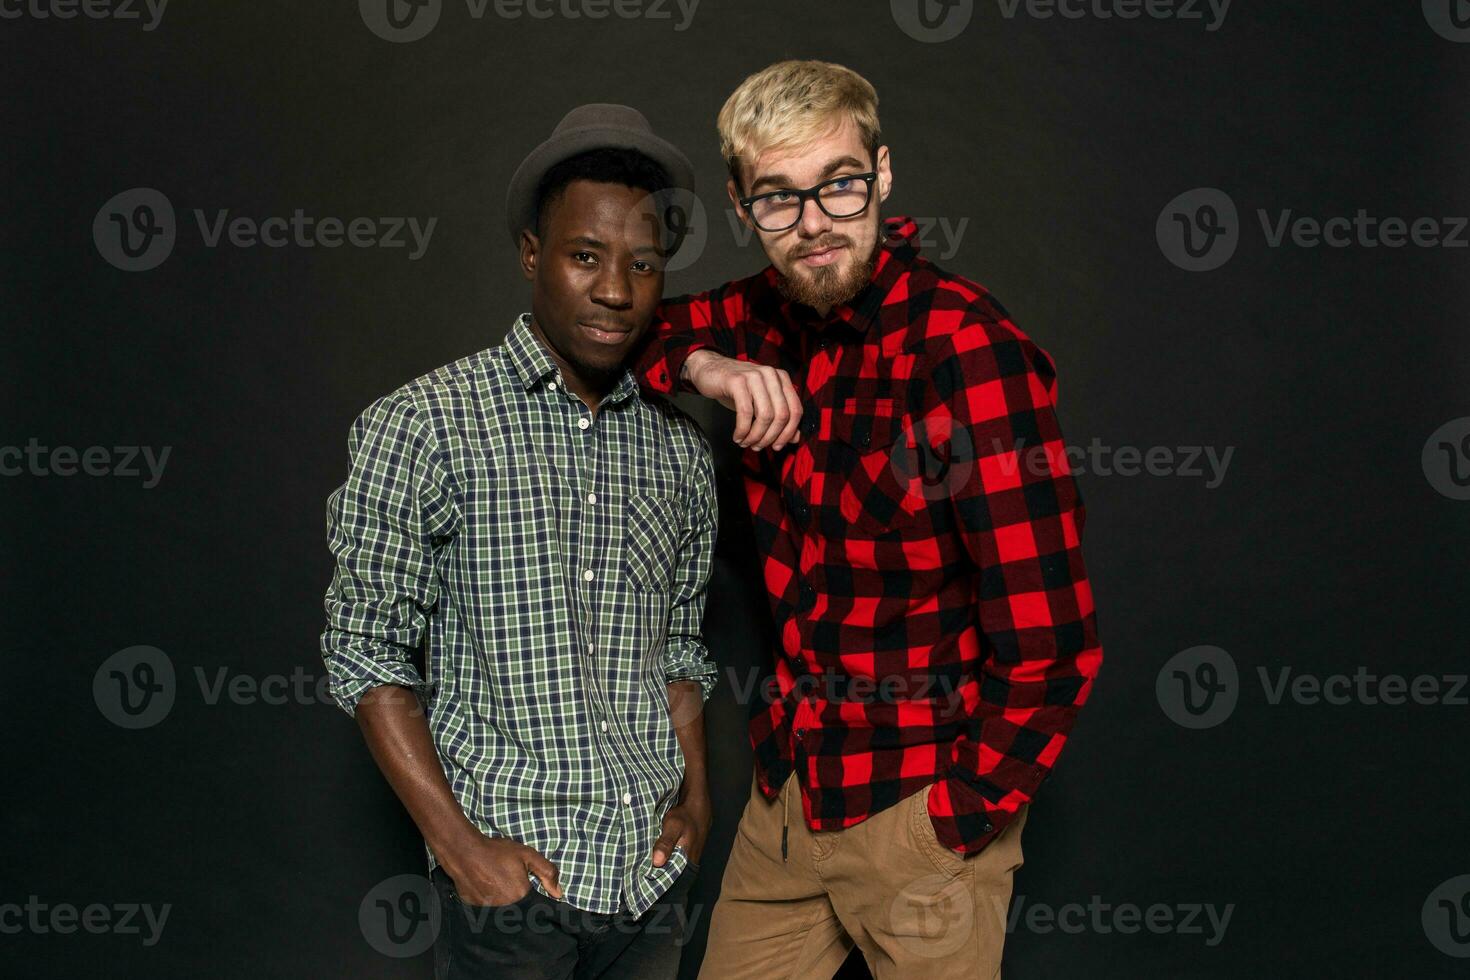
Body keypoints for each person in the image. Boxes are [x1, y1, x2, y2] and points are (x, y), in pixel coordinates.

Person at [633, 60, 1104, 979]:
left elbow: (1055, 643)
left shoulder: (970, 358)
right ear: (742, 205)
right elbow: (628, 326)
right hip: (790, 798)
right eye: (778, 197)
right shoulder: (760, 318)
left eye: (840, 185)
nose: (813, 223)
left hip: (919, 809)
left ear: (881, 175)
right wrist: (710, 371)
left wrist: (954, 824)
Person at [321, 104, 718, 980]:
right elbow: (366, 654)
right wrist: (461, 850)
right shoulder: (422, 424)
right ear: (533, 255)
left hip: (651, 884)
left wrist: (696, 803)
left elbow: (681, 651)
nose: (615, 290)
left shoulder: (682, 451)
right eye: (585, 257)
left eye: (642, 265)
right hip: (512, 889)